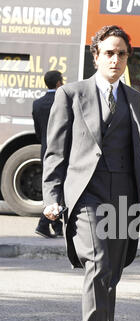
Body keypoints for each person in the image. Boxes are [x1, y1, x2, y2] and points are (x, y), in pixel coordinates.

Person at [42, 25, 140, 321]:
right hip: (88, 195)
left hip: (124, 196)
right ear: (96, 55)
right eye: (109, 52)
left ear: (128, 57)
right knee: (97, 264)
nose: (115, 59)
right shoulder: (70, 94)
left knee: (112, 273)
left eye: (122, 53)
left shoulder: (136, 99)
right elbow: (55, 152)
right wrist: (52, 196)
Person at [33, 70, 64, 238]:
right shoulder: (64, 101)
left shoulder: (37, 104)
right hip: (62, 152)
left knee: (52, 187)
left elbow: (38, 132)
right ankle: (44, 224)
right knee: (59, 188)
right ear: (59, 83)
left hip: (45, 150)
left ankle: (56, 226)